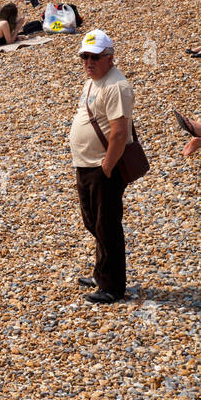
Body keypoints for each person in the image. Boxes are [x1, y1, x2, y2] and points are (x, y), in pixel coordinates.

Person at [69, 30, 133, 304]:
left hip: (102, 167)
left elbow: (120, 133)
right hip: (87, 164)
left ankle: (112, 286)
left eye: (94, 57)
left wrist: (108, 165)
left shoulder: (117, 86)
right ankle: (102, 271)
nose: (88, 62)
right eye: (84, 57)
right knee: (93, 221)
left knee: (107, 225)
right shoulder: (93, 82)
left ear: (109, 57)